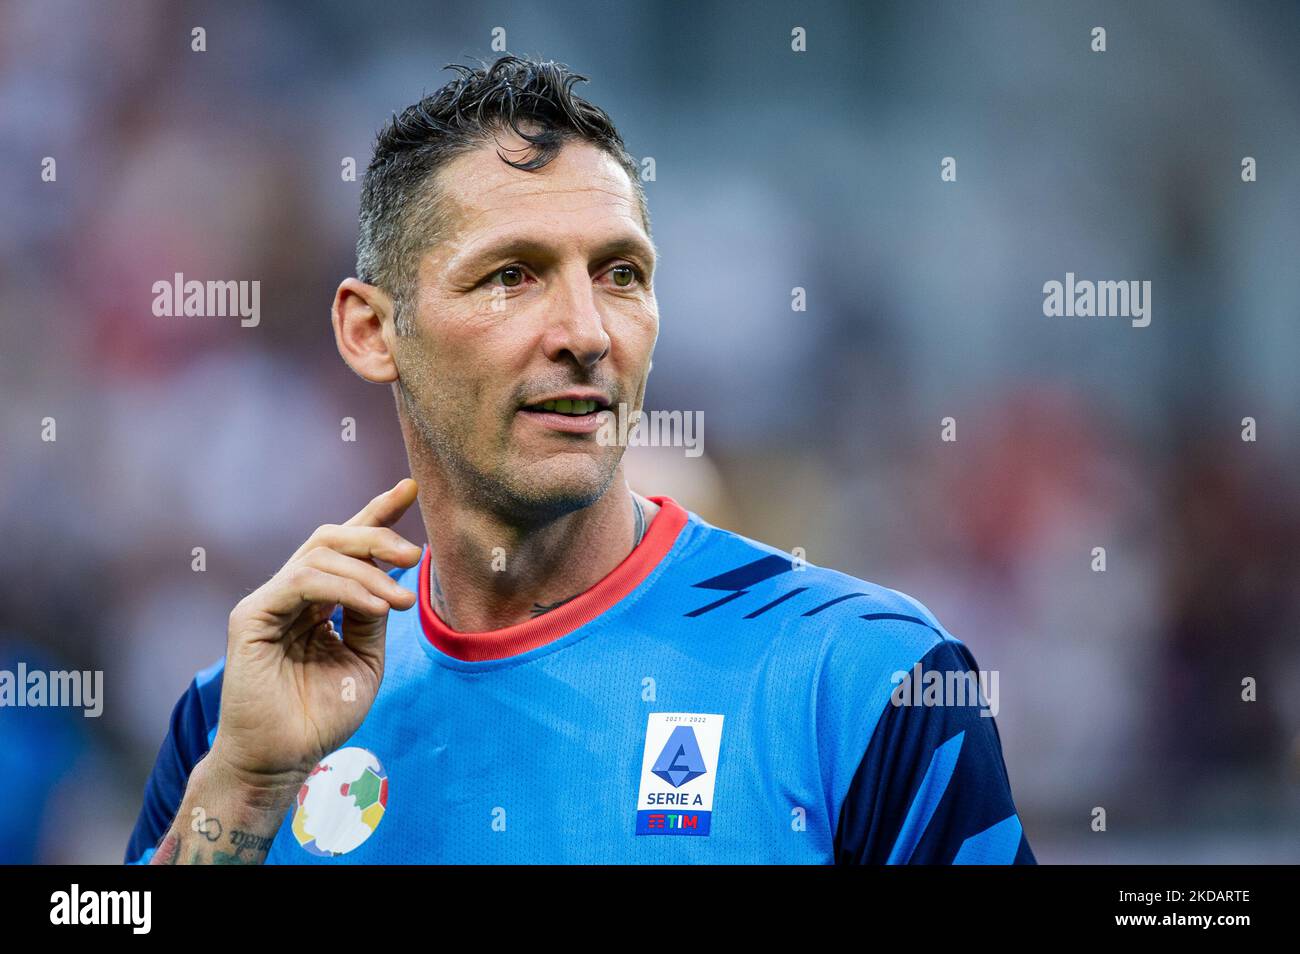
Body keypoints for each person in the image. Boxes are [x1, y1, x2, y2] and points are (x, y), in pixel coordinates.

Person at [126, 54, 1034, 864]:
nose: (588, 333)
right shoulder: (237, 721)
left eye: (620, 274)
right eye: (511, 275)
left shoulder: (863, 682)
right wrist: (242, 794)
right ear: (372, 331)